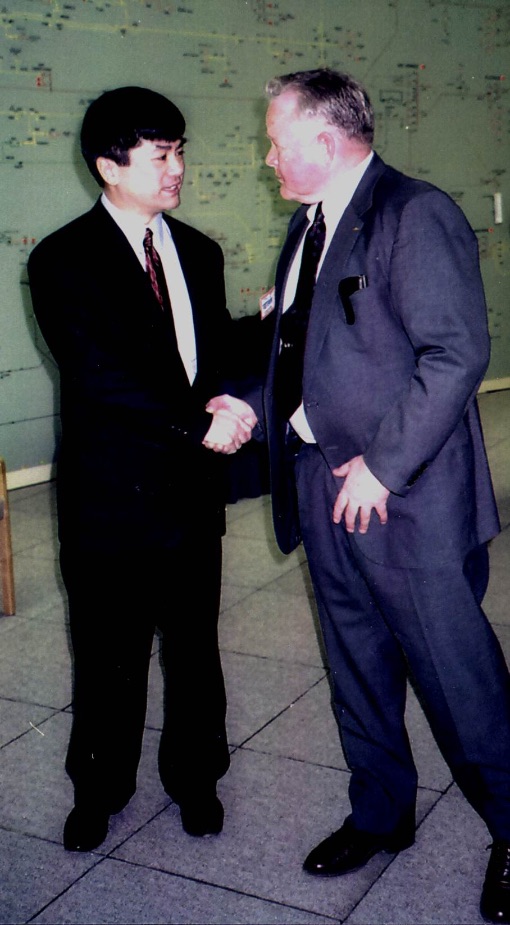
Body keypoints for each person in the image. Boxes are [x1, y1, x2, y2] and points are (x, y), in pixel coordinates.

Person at [212, 67, 510, 924]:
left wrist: (381, 466)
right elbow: (306, 354)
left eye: (276, 140)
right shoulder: (309, 228)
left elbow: (455, 354)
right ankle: (383, 812)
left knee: (457, 676)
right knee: (356, 667)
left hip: (401, 496)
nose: (267, 156)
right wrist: (254, 405)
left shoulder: (413, 214)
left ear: (325, 141)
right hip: (321, 485)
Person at [27, 86, 255, 853]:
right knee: (107, 656)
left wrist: (267, 334)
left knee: (195, 650)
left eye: (181, 150)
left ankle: (197, 779)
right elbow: (100, 374)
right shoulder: (62, 259)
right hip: (110, 504)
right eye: (161, 155)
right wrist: (199, 422)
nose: (178, 169)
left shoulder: (199, 251)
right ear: (107, 165)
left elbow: (209, 352)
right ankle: (100, 788)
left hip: (189, 501)